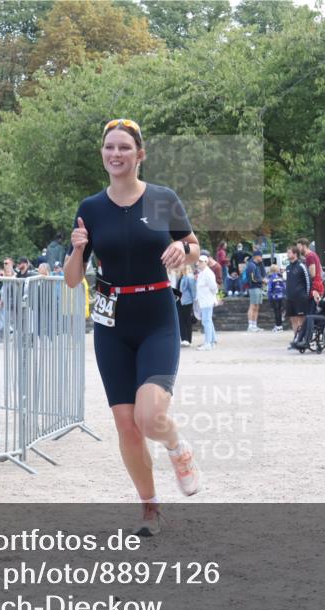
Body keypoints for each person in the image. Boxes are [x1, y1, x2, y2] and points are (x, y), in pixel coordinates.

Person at [62, 118, 201, 536]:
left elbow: (194, 248)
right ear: (102, 154)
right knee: (126, 423)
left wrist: (181, 247)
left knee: (151, 416)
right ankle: (150, 508)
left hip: (157, 314)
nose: (116, 154)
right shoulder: (90, 208)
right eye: (109, 147)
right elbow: (72, 279)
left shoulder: (162, 198)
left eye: (124, 147)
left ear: (139, 155)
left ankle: (178, 448)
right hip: (111, 322)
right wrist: (77, 250)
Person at [285, 246, 311, 347]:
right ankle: (296, 338)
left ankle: (303, 338)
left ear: (295, 254)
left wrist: (306, 295)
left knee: (301, 319)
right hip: (290, 297)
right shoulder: (287, 268)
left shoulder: (301, 266)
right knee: (293, 319)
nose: (287, 254)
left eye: (289, 252)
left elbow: (308, 281)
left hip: (300, 297)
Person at [195, 256, 218, 350]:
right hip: (204, 301)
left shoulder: (208, 273)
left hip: (207, 301)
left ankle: (208, 343)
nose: (198, 263)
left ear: (205, 262)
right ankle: (211, 341)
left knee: (206, 321)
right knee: (208, 321)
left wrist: (213, 299)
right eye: (198, 261)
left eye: (201, 262)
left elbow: (214, 287)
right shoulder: (202, 273)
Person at [296, 238, 324, 307]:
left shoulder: (309, 256)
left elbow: (312, 274)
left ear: (304, 246)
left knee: (311, 311)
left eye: (299, 247)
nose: (297, 249)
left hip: (314, 287)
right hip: (317, 285)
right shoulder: (313, 254)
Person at [172, 266, 195, 347]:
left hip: (187, 301)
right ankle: (184, 339)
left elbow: (192, 290)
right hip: (179, 301)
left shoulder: (188, 278)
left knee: (187, 320)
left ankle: (188, 339)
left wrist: (194, 301)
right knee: (181, 320)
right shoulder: (179, 278)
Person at [244, 250, 266, 332]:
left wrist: (262, 280)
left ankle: (254, 325)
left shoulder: (258, 264)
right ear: (256, 256)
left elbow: (261, 274)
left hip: (259, 287)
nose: (261, 258)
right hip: (253, 288)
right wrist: (262, 281)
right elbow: (253, 279)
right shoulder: (251, 265)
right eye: (260, 256)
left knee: (257, 306)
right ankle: (250, 326)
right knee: (252, 306)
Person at [266, 264, 286, 333]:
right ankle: (280, 326)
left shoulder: (271, 278)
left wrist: (269, 296)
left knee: (276, 312)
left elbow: (269, 288)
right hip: (281, 297)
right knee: (279, 312)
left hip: (274, 297)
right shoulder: (280, 277)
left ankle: (278, 327)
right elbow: (284, 287)